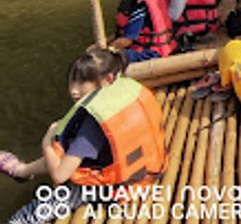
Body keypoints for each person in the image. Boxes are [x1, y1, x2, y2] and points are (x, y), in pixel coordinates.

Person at [0, 48, 166, 223]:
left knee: (21, 219)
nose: (73, 90)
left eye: (82, 82)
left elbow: (59, 175)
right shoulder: (124, 91)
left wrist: (47, 140)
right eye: (73, 81)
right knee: (65, 150)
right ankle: (23, 171)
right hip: (147, 168)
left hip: (114, 187)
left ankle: (23, 174)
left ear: (107, 80)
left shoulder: (92, 125)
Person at [108, 0, 177, 62]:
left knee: (112, 57)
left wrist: (106, 49)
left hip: (150, 52)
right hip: (143, 47)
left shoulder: (140, 6)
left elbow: (127, 40)